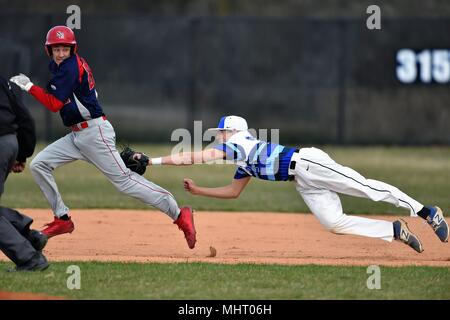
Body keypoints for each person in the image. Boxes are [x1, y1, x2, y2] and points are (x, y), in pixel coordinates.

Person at [9, 26, 196, 249]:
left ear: (72, 49)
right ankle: (62, 219)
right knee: (40, 164)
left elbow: (53, 104)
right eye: (56, 48)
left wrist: (29, 86)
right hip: (77, 135)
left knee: (125, 181)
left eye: (65, 48)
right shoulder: (62, 65)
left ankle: (179, 213)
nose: (60, 53)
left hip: (94, 133)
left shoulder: (69, 67)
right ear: (49, 50)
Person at [145, 115, 448, 253]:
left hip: (307, 163)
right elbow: (234, 192)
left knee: (367, 188)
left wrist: (155, 161)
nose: (218, 136)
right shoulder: (243, 159)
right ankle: (393, 230)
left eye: (220, 133)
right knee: (333, 222)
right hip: (302, 179)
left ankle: (426, 212)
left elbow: (198, 156)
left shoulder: (238, 142)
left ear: (231, 132)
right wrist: (199, 191)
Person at [0, 75, 49, 271]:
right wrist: (21, 153)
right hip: (9, 141)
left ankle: (29, 258)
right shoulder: (2, 81)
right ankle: (29, 236)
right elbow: (23, 116)